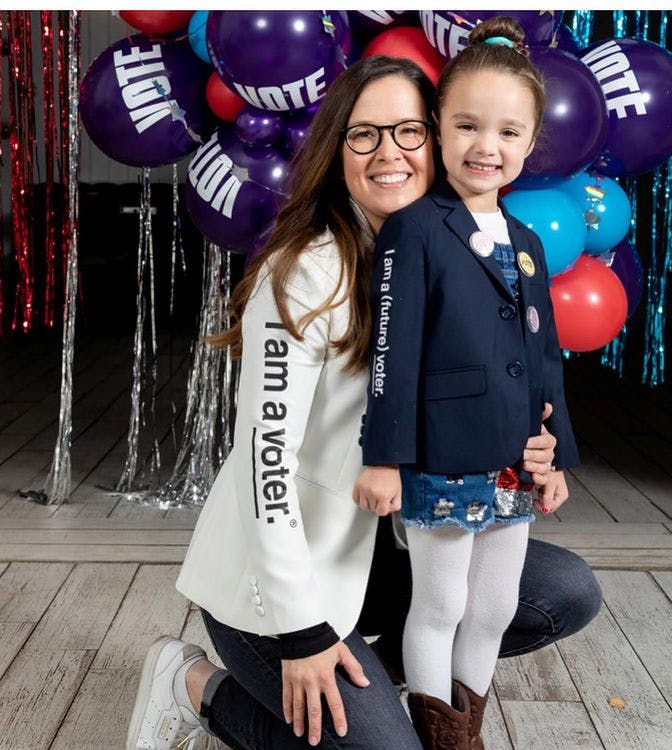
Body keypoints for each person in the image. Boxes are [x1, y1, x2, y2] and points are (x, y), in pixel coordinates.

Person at [126, 54, 600, 750]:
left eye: (407, 132)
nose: (389, 154)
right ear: (336, 149)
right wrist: (303, 630)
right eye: (363, 135)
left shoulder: (464, 248)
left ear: (433, 141)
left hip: (385, 553)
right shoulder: (304, 274)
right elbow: (266, 464)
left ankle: (369, 691)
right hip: (278, 584)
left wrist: (538, 443)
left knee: (558, 590)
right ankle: (196, 685)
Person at [354, 17, 579, 750]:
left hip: (515, 454)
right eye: (468, 126)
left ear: (530, 142)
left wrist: (557, 453)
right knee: (442, 601)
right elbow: (392, 352)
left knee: (494, 606)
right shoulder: (415, 229)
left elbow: (544, 360)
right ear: (440, 130)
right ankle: (443, 739)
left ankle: (465, 730)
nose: (488, 146)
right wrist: (384, 456)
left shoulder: (529, 243)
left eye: (509, 133)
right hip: (442, 454)